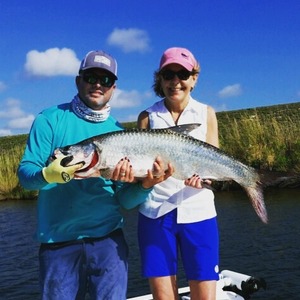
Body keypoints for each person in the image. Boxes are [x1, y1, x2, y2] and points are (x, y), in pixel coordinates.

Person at [18, 50, 173, 300]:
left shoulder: (119, 132)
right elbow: (26, 176)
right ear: (79, 80)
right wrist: (47, 174)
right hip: (58, 244)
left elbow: (125, 201)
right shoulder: (50, 119)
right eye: (91, 77)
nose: (98, 85)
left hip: (109, 243)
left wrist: (146, 185)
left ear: (113, 88)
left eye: (106, 80)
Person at [137, 47, 220, 300]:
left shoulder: (207, 113)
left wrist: (205, 179)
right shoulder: (147, 117)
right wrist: (148, 179)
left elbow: (213, 161)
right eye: (168, 74)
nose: (175, 81)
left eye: (182, 74)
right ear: (159, 79)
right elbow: (140, 170)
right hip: (155, 213)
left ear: (194, 79)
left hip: (199, 212)